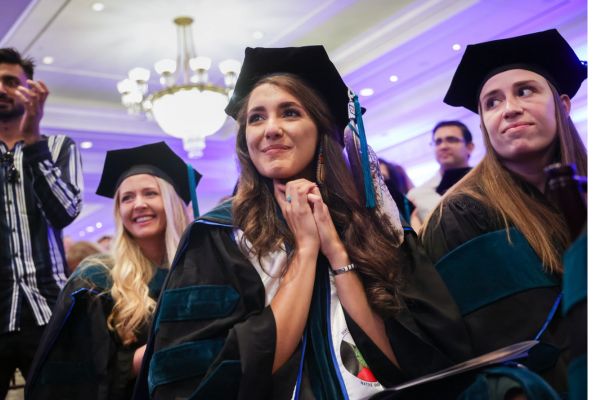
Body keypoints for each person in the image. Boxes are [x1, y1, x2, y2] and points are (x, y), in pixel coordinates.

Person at [135, 46, 470, 400]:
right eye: (257, 118)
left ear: (322, 129)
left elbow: (411, 362)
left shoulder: (378, 224)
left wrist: (337, 251)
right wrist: (306, 251)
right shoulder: (217, 236)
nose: (271, 129)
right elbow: (215, 377)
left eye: (290, 113)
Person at [420, 29, 587, 394]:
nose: (509, 108)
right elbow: (510, 350)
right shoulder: (463, 214)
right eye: (492, 102)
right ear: (483, 124)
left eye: (525, 91)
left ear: (563, 104)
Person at [26, 142, 199, 399]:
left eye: (150, 193)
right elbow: (75, 371)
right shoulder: (96, 280)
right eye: (126, 198)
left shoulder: (203, 270)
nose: (137, 204)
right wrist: (145, 357)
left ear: (173, 202)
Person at [0, 47, 83, 397]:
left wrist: (33, 142)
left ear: (29, 89)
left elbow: (64, 212)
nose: (1, 89)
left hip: (49, 309)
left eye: (9, 81)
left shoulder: (58, 146)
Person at [407, 120, 474, 231]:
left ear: (470, 147)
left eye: (451, 140)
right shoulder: (416, 196)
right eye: (438, 142)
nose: (443, 146)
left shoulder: (491, 182)